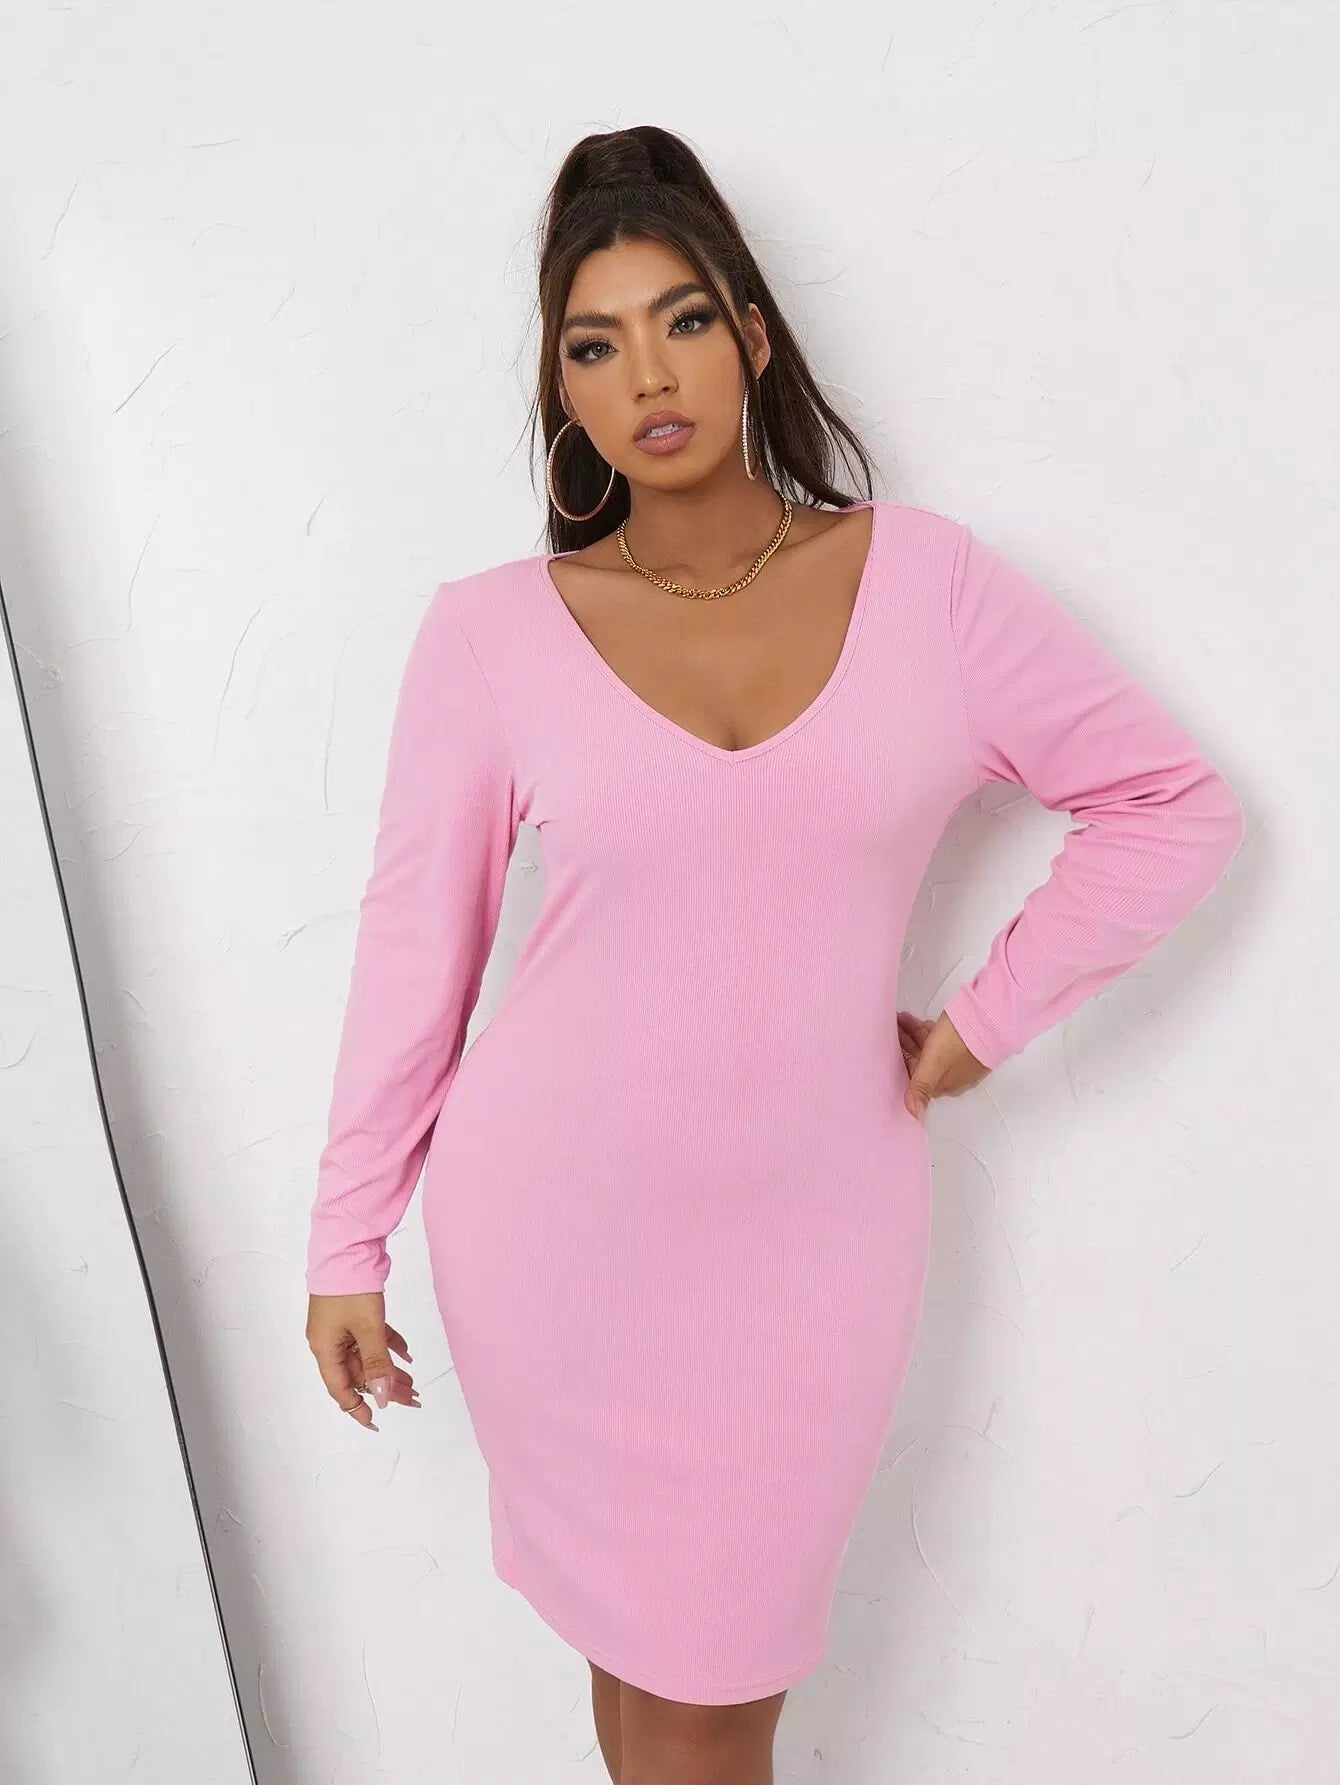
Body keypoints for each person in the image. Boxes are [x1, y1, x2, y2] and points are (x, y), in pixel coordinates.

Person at [304, 124, 1244, 1784]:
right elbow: (414, 952)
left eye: (681, 320)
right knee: (653, 1693)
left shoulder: (927, 584)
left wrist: (978, 1022)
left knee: (702, 1703)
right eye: (594, 346)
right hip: (556, 1233)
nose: (647, 376)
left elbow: (1173, 802)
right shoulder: (492, 634)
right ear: (561, 389)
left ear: (749, 333)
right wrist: (345, 1239)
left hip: (814, 1243)